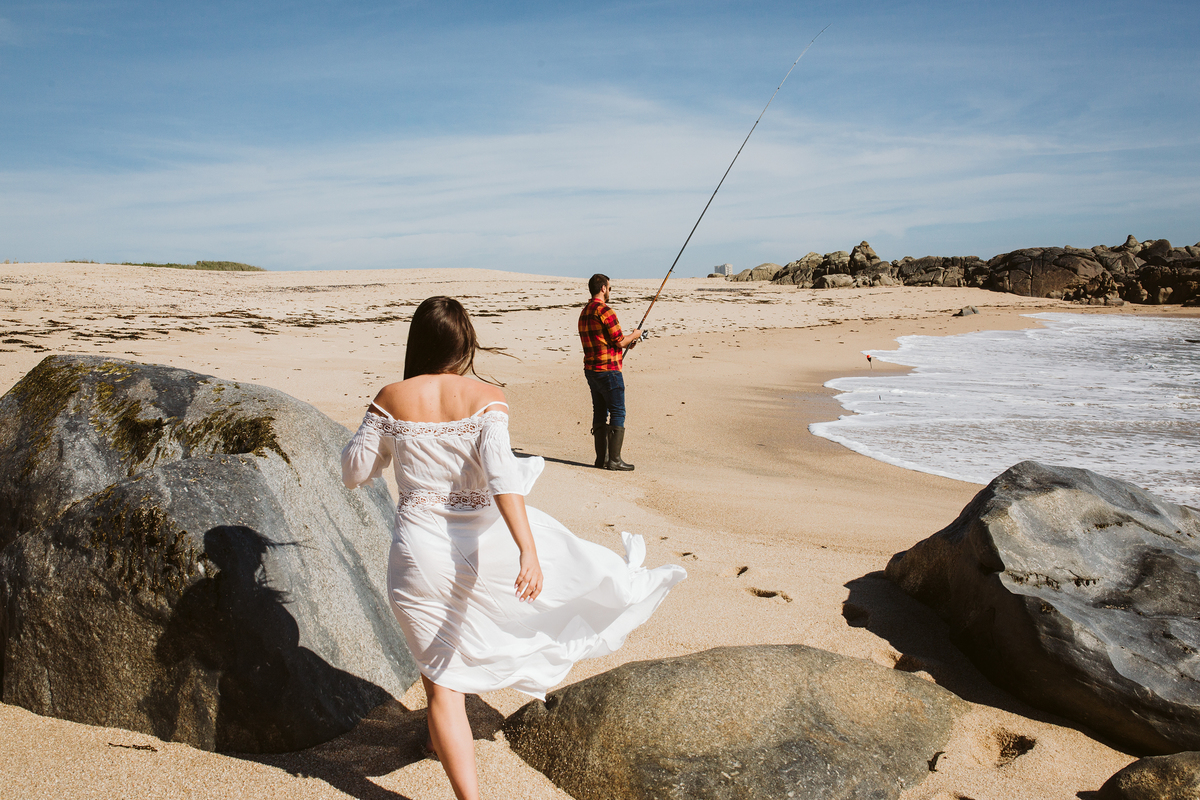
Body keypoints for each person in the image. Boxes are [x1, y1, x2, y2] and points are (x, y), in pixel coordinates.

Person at [341, 296, 686, 800]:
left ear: (419, 342)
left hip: (417, 553)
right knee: (451, 672)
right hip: (483, 547)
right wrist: (528, 549)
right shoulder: (487, 395)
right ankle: (452, 754)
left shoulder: (392, 396)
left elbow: (354, 471)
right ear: (466, 344)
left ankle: (454, 757)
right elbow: (502, 475)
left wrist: (386, 434)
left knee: (440, 683)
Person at [578, 274, 642, 470]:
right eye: (609, 288)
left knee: (599, 412)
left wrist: (627, 342)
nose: (609, 291)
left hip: (591, 370)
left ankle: (601, 459)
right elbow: (620, 341)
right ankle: (614, 460)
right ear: (604, 288)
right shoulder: (605, 311)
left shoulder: (584, 312)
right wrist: (635, 335)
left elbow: (609, 342)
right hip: (609, 371)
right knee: (617, 411)